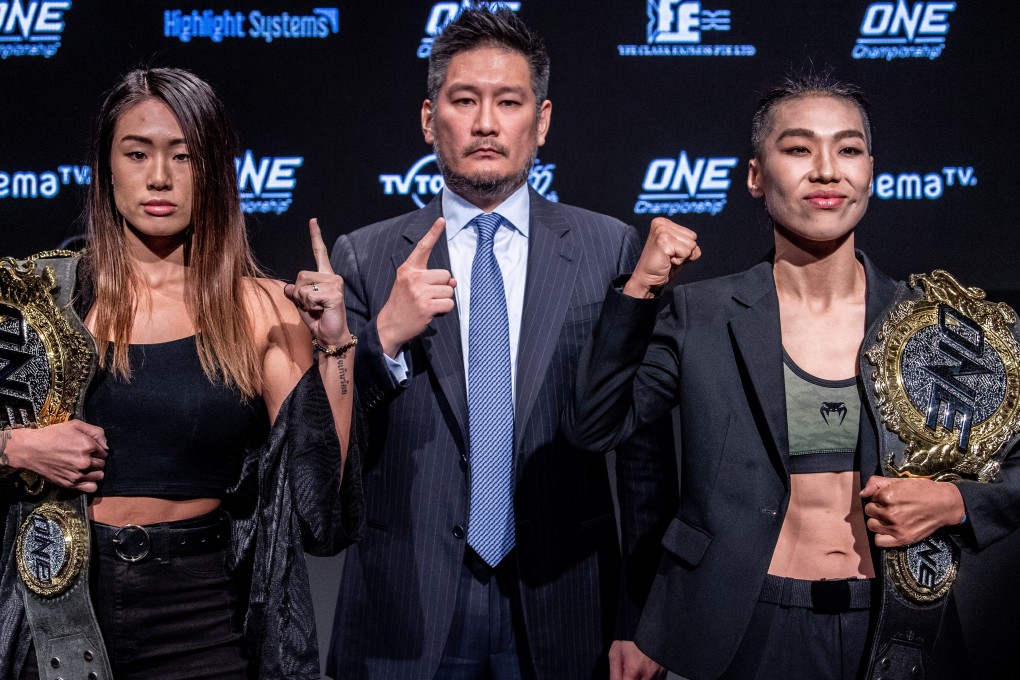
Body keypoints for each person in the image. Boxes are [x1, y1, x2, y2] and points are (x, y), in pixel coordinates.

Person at [562, 73, 1020, 679]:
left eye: (848, 149)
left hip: (897, 625)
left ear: (872, 172)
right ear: (756, 176)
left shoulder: (934, 323)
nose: (827, 170)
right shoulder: (702, 315)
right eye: (799, 148)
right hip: (742, 628)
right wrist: (641, 288)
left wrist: (956, 501)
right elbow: (596, 425)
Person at [327, 8, 674, 680]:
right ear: (430, 121)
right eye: (464, 101)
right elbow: (330, 453)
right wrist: (383, 344)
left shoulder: (609, 249)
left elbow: (643, 458)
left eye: (508, 102)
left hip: (565, 600)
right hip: (407, 609)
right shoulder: (366, 258)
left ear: (540, 121)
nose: (486, 123)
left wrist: (642, 616)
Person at [0, 67, 362, 679]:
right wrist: (14, 445)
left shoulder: (262, 308)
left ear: (215, 171)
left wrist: (336, 345)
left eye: (183, 156)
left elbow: (318, 502)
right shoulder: (42, 297)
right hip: (60, 611)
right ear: (106, 167)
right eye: (136, 153)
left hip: (202, 617)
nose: (159, 177)